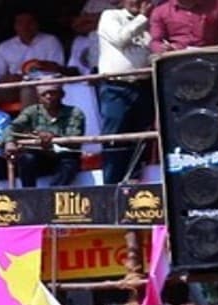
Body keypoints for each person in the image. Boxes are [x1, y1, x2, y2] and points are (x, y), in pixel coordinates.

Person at [97, 0, 155, 184]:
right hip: (116, 86)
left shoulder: (148, 23)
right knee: (115, 137)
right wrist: (143, 18)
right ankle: (111, 185)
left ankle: (133, 182)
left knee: (140, 136)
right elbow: (120, 39)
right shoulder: (110, 16)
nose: (136, 2)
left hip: (143, 85)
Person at [5, 83, 85, 188]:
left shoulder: (74, 112)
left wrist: (54, 138)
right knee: (26, 159)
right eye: (44, 94)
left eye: (52, 93)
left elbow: (75, 139)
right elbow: (11, 127)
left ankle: (51, 195)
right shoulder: (32, 111)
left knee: (69, 163)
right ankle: (28, 193)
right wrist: (9, 142)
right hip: (40, 157)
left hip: (64, 157)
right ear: (38, 97)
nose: (48, 97)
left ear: (62, 95)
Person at [0, 10, 66, 111]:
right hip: (13, 87)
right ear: (15, 26)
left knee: (27, 90)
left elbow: (57, 71)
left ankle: (29, 124)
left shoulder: (50, 41)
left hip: (42, 85)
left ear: (37, 24)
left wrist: (36, 74)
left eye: (30, 23)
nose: (25, 27)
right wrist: (6, 79)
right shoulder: (5, 46)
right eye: (20, 23)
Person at [148, 0, 218, 54]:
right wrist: (163, 48)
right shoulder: (160, 12)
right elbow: (155, 42)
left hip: (214, 58)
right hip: (177, 63)